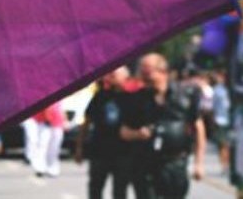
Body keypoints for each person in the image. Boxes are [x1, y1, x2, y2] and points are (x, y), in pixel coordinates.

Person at [120, 53, 206, 199]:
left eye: (147, 72)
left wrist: (199, 163)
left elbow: (199, 129)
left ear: (163, 72)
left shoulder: (186, 95)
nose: (143, 77)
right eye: (141, 72)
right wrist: (137, 134)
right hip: (145, 165)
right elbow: (123, 131)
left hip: (175, 164)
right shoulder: (136, 99)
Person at [76, 67, 131, 199]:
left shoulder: (131, 97)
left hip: (123, 152)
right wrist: (79, 147)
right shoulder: (100, 96)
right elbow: (86, 122)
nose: (110, 76)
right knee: (95, 187)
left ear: (125, 77)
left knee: (120, 190)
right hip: (99, 151)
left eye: (114, 74)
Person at [33, 101, 67, 177]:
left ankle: (52, 168)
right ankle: (40, 168)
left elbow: (61, 109)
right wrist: (47, 117)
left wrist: (65, 121)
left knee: (54, 148)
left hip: (57, 123)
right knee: (42, 145)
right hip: (45, 122)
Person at [210, 70, 231, 175]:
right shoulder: (217, 90)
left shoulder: (232, 89)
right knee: (223, 144)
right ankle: (224, 165)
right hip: (220, 120)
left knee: (230, 145)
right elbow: (212, 106)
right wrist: (213, 119)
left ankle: (229, 164)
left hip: (231, 121)